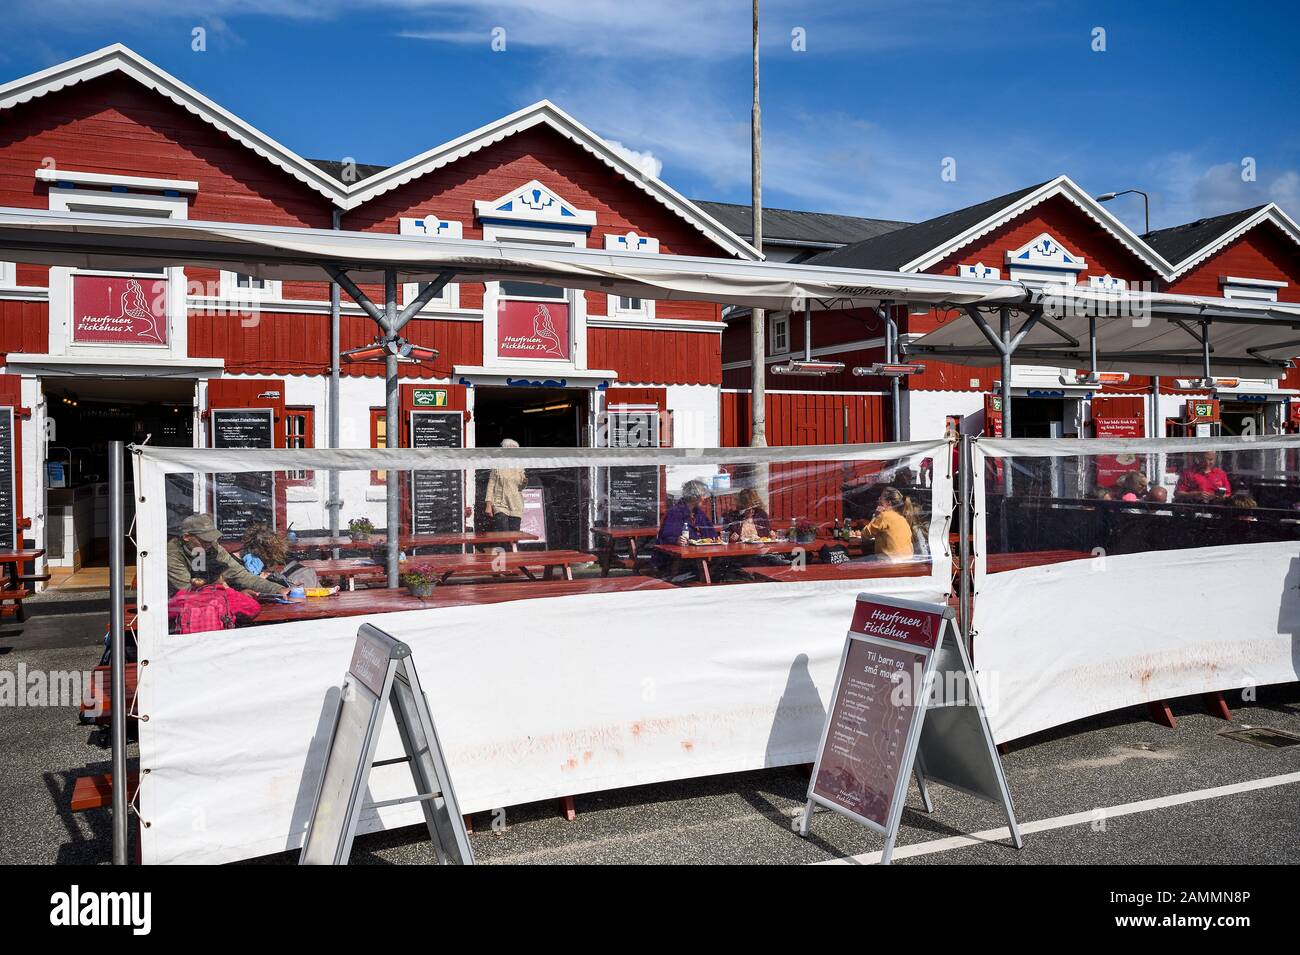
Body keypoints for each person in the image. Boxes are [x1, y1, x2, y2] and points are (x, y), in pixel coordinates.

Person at [167, 514, 288, 597]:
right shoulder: (172, 554)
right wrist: (235, 595)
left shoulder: (212, 547)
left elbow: (241, 575)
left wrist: (277, 589)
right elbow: (188, 591)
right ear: (187, 537)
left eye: (212, 539)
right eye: (205, 540)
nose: (210, 544)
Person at [653, 479, 718, 571]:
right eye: (703, 495)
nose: (705, 498)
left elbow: (711, 533)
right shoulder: (675, 513)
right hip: (677, 560)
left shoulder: (699, 513)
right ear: (696, 497)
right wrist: (676, 540)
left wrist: (714, 538)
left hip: (697, 555)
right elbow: (665, 537)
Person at [856, 487, 917, 562]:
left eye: (880, 499)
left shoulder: (884, 516)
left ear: (889, 503)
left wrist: (876, 516)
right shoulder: (902, 519)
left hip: (889, 563)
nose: (878, 501)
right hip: (907, 562)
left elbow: (866, 534)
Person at [485, 438, 529, 532]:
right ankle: (504, 547)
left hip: (516, 504)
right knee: (503, 533)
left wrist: (524, 483)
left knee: (514, 535)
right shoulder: (497, 466)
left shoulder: (519, 467)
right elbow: (490, 486)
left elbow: (520, 488)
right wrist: (488, 505)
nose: (513, 451)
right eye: (510, 449)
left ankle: (512, 547)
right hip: (500, 503)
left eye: (515, 449)